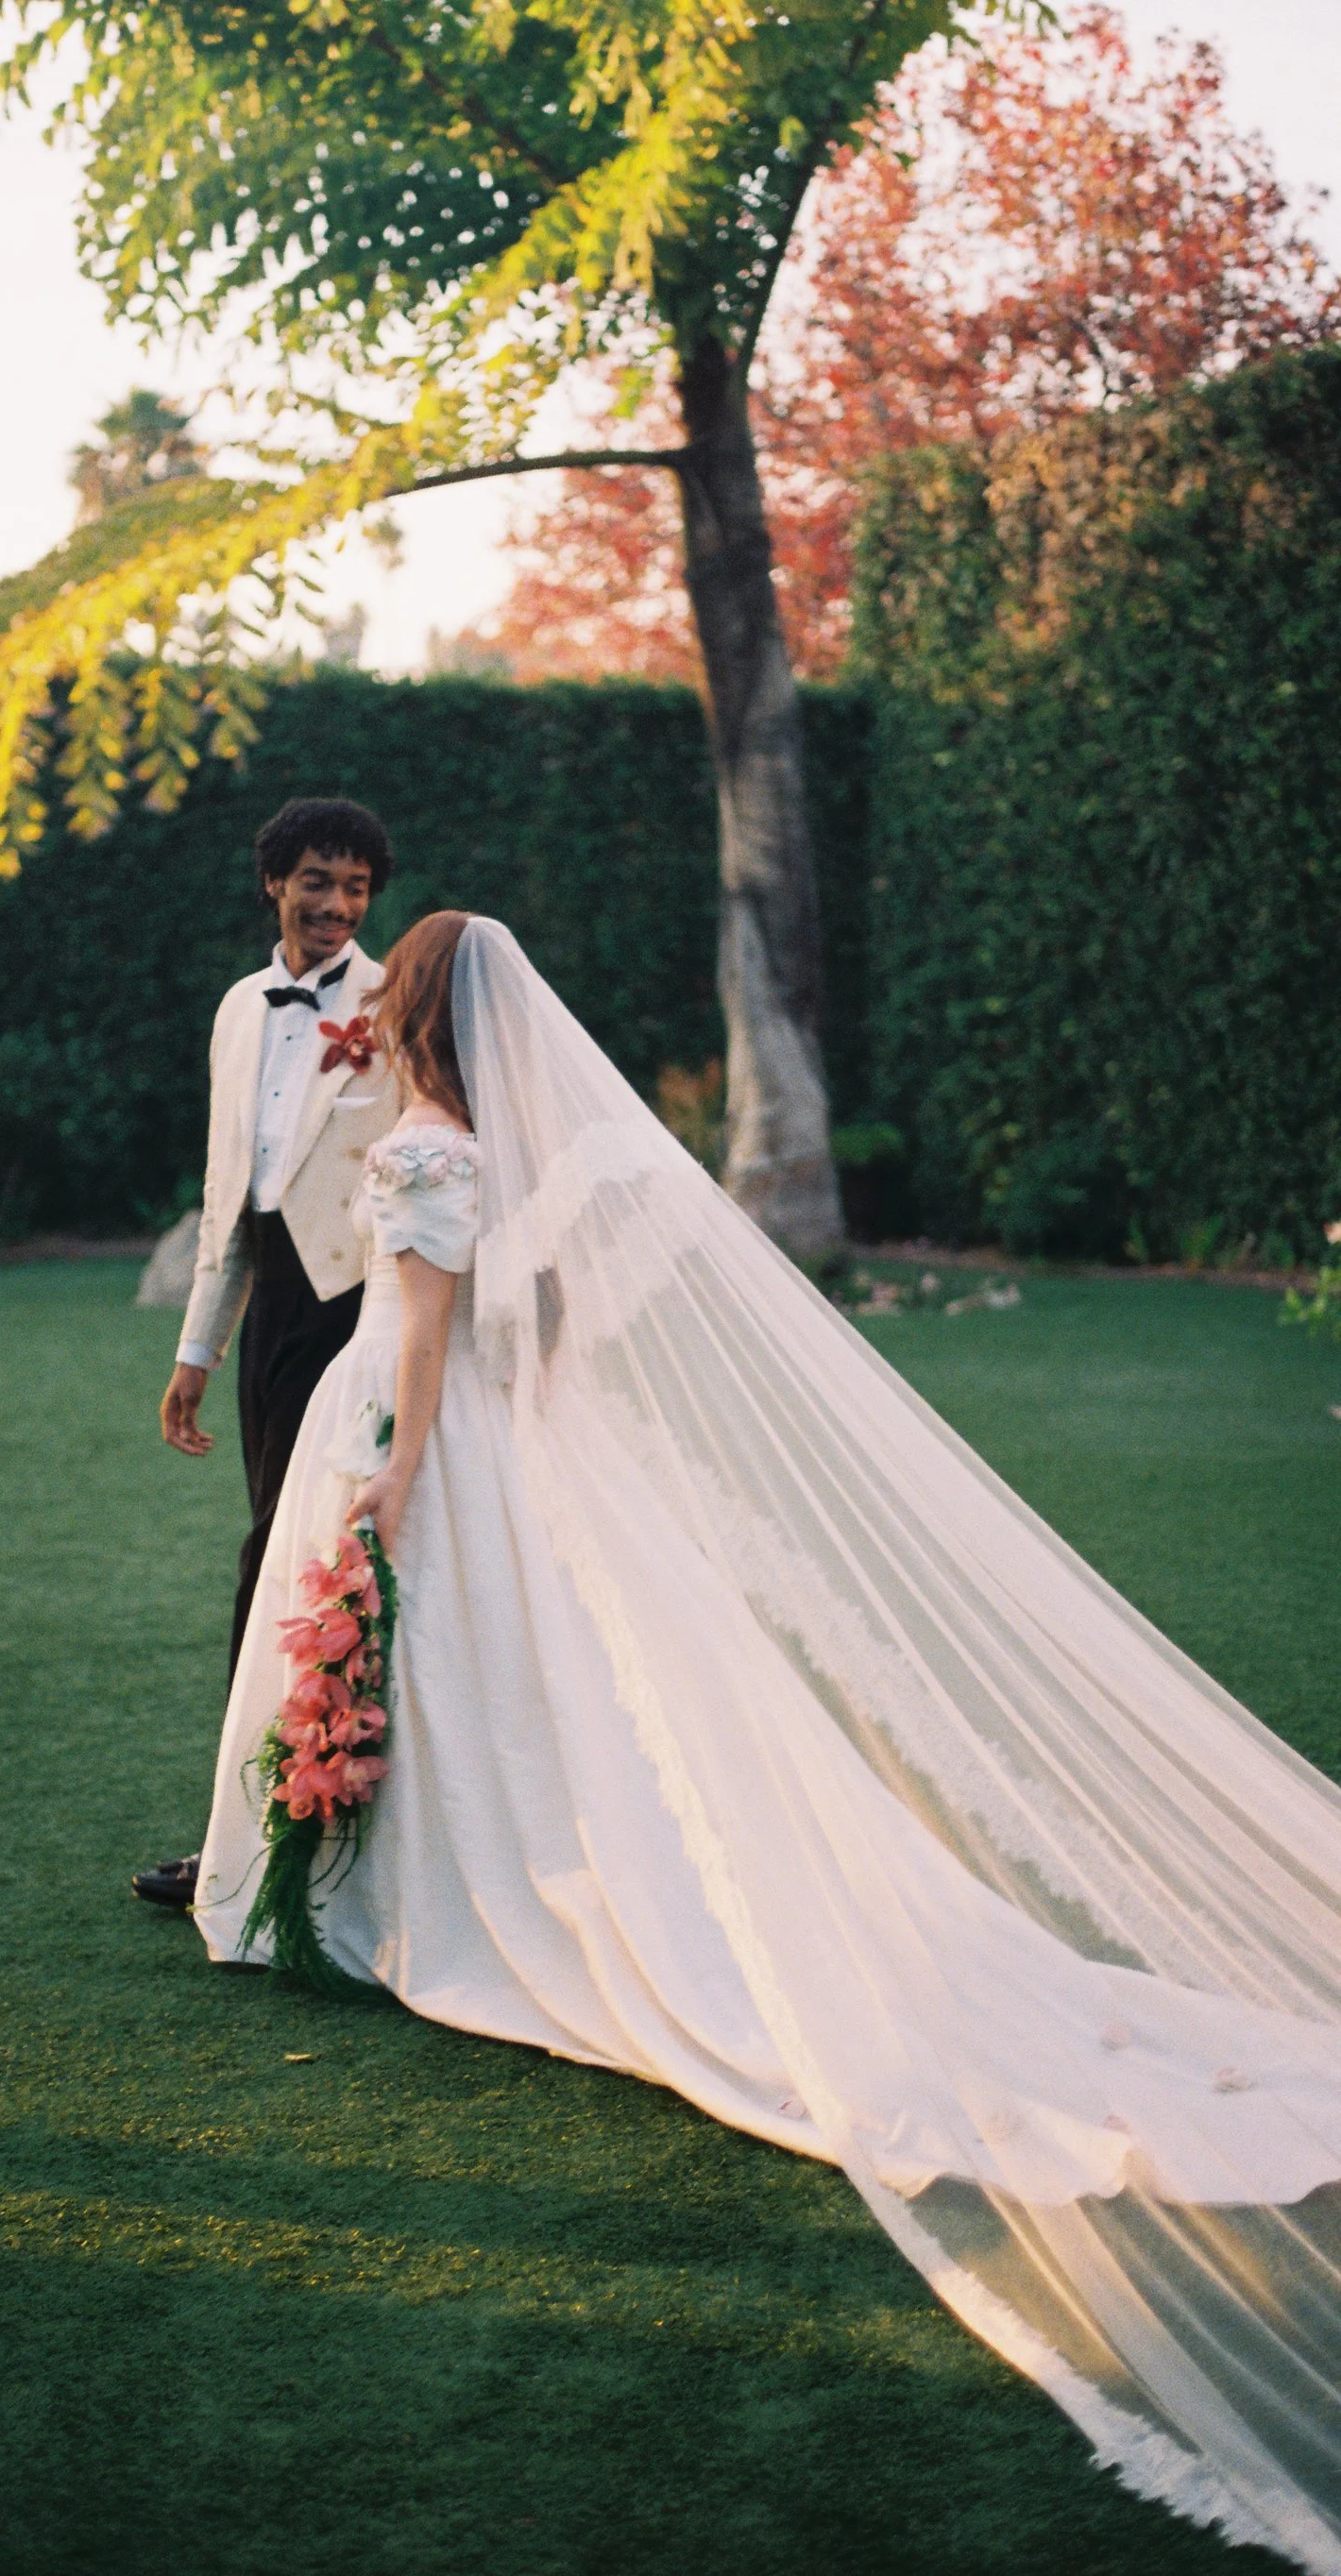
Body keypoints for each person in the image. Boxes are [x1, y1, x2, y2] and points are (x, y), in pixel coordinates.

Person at [195, 909, 1341, 2570]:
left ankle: (403, 1894)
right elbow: (550, 1316)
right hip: (508, 1437)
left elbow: (431, 1336)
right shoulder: (517, 1144)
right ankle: (379, 1873)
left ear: (420, 1011)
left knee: (470, 1673)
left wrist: (396, 1470)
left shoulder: (436, 1149)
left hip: (417, 1425)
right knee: (529, 1694)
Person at [133, 798, 400, 1909]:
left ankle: (342, 1846)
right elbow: (227, 1190)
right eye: (316, 883)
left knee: (345, 1565)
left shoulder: (397, 1000)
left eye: (354, 888)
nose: (335, 907)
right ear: (274, 884)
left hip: (370, 1308)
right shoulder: (241, 1008)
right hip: (277, 1321)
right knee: (274, 1563)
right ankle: (249, 1830)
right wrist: (200, 1343)